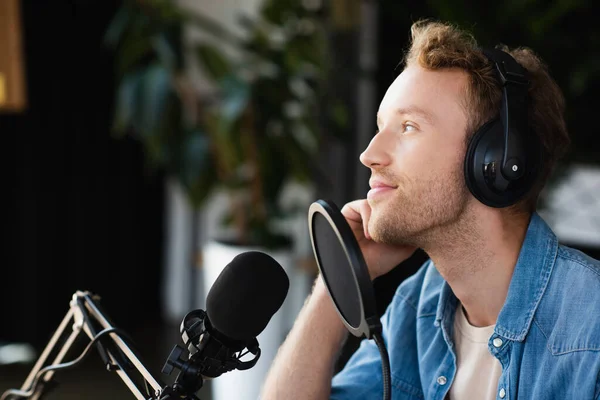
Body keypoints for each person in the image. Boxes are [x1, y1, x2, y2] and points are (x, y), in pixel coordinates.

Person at [260, 19, 600, 400]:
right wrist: (339, 278)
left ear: (498, 162)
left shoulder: (591, 327)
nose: (369, 155)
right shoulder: (418, 306)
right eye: (380, 126)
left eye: (408, 127)